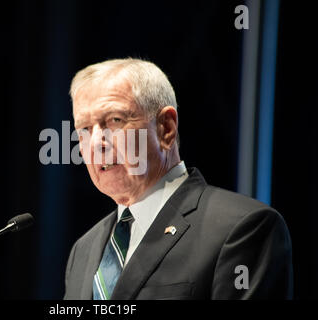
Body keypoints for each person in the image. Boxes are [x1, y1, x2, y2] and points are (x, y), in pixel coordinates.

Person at [63, 58, 293, 300]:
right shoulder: (83, 250)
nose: (97, 143)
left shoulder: (242, 229)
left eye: (115, 120)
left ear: (166, 128)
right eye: (84, 130)